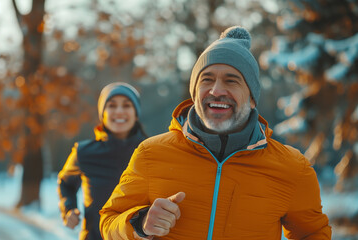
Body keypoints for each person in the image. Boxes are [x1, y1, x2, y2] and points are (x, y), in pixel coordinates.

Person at [99, 26, 332, 240]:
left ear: (252, 98)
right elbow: (109, 221)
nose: (216, 90)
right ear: (194, 92)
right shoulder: (151, 154)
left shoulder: (293, 169)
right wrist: (140, 223)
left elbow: (313, 234)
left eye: (231, 81)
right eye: (206, 80)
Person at [58, 82, 147, 240]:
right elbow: (66, 183)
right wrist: (69, 208)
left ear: (136, 113)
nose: (119, 112)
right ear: (102, 113)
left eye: (126, 105)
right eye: (111, 106)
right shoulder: (84, 152)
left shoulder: (151, 151)